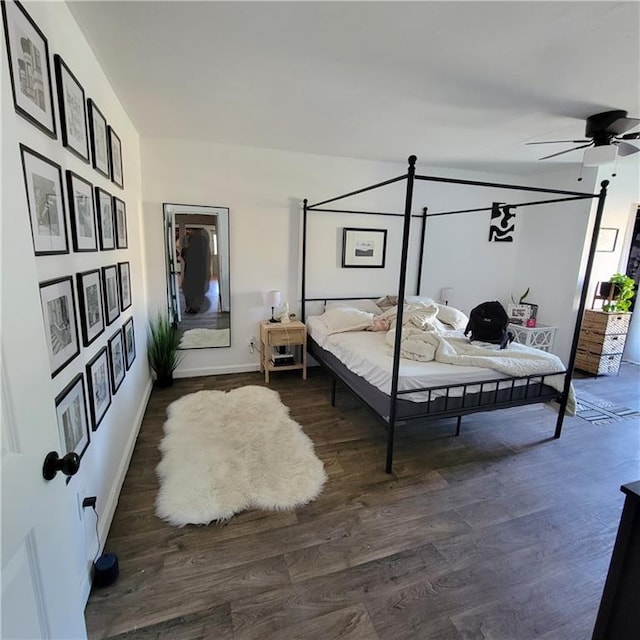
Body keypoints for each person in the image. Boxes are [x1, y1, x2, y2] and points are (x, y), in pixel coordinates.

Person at [181, 228, 211, 314]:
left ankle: (191, 307)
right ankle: (194, 307)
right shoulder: (199, 251)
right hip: (197, 273)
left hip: (192, 273)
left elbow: (184, 258)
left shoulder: (186, 250)